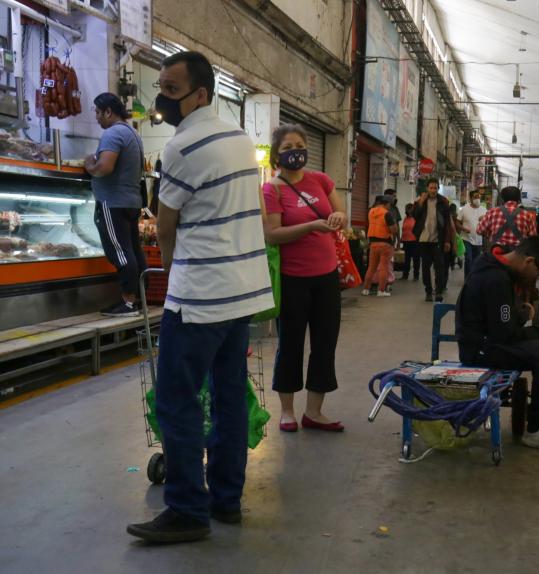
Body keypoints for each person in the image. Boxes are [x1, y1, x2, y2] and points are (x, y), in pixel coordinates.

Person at [126, 51, 272, 543]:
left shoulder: (182, 148)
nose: (161, 98)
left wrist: (174, 281)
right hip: (240, 293)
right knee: (229, 395)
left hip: (200, 298)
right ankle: (225, 499)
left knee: (177, 400)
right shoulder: (239, 138)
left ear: (200, 94)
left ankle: (188, 510)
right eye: (161, 87)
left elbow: (165, 225)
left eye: (170, 89)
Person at [455, 236, 539, 453]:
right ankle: (536, 431)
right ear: (528, 261)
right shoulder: (496, 280)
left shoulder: (499, 269)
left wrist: (520, 313)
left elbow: (500, 316)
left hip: (490, 340)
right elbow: (505, 335)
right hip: (479, 350)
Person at [261, 124, 347, 433]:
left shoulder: (321, 181)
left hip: (326, 279)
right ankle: (287, 411)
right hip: (292, 279)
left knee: (325, 344)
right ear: (276, 154)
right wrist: (311, 227)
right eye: (287, 147)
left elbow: (341, 215)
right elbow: (272, 235)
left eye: (299, 145)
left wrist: (337, 218)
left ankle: (314, 411)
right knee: (291, 344)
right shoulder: (273, 189)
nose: (294, 151)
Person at [85, 93, 147, 317]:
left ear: (108, 112)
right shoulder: (132, 133)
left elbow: (104, 167)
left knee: (120, 252)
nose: (96, 117)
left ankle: (128, 303)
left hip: (113, 201)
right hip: (130, 201)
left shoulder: (113, 133)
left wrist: (89, 164)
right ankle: (138, 298)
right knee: (133, 250)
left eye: (97, 112)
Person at [413, 177, 455, 302]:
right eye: (431, 188)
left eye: (435, 188)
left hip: (438, 240)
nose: (433, 190)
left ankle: (439, 291)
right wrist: (420, 202)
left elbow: (447, 223)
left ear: (438, 188)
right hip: (424, 240)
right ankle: (428, 291)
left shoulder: (443, 202)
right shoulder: (421, 201)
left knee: (440, 267)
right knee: (425, 267)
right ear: (427, 188)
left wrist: (447, 240)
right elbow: (415, 216)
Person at [476, 185, 537, 252]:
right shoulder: (527, 215)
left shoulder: (492, 212)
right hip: (518, 255)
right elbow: (533, 237)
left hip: (496, 254)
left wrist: (491, 234)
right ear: (519, 200)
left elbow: (479, 230)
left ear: (502, 199)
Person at [362, 195, 398, 297]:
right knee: (384, 268)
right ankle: (381, 291)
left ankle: (365, 289)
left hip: (373, 243)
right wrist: (394, 225)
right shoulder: (387, 214)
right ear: (387, 203)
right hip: (385, 244)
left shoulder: (371, 212)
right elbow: (393, 230)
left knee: (371, 268)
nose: (390, 207)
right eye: (390, 205)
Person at [457, 190, 487, 279]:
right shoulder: (464, 209)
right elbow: (457, 222)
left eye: (478, 196)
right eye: (475, 197)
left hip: (478, 239)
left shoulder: (484, 210)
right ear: (470, 198)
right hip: (466, 239)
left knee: (476, 261)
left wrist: (484, 220)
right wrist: (463, 228)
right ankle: (467, 279)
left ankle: (473, 278)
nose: (477, 198)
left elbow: (488, 224)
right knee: (468, 259)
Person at [400, 203, 420, 281]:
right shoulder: (406, 218)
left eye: (410, 208)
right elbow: (403, 229)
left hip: (414, 241)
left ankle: (416, 276)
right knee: (406, 259)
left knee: (416, 259)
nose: (408, 210)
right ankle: (405, 275)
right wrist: (401, 238)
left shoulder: (416, 218)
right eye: (407, 208)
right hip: (406, 241)